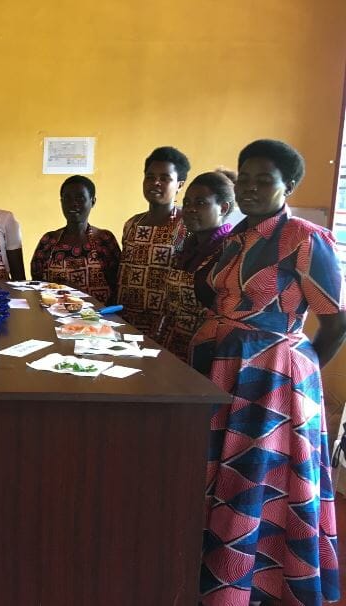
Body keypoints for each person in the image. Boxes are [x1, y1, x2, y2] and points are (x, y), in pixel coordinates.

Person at [191, 140, 345, 605]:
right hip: (224, 367)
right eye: (245, 179)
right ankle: (217, 575)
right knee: (220, 474)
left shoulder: (304, 238)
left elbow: (336, 320)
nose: (251, 188)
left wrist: (297, 369)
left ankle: (252, 586)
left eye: (264, 180)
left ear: (289, 185)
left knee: (255, 477)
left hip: (272, 380)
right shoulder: (237, 237)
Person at [153, 171, 235, 361]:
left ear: (223, 208)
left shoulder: (229, 252)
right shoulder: (185, 249)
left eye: (200, 203)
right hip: (170, 348)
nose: (190, 209)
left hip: (204, 356)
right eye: (187, 203)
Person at [116, 146, 190, 337]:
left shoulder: (187, 225)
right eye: (150, 177)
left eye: (165, 178)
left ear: (180, 184)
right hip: (126, 322)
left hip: (166, 328)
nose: (155, 182)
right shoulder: (132, 223)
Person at [29, 175, 120, 303]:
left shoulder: (104, 239)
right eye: (67, 198)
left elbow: (118, 283)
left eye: (80, 198)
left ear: (93, 201)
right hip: (55, 316)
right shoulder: (49, 240)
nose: (73, 203)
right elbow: (37, 284)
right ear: (61, 202)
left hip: (98, 319)